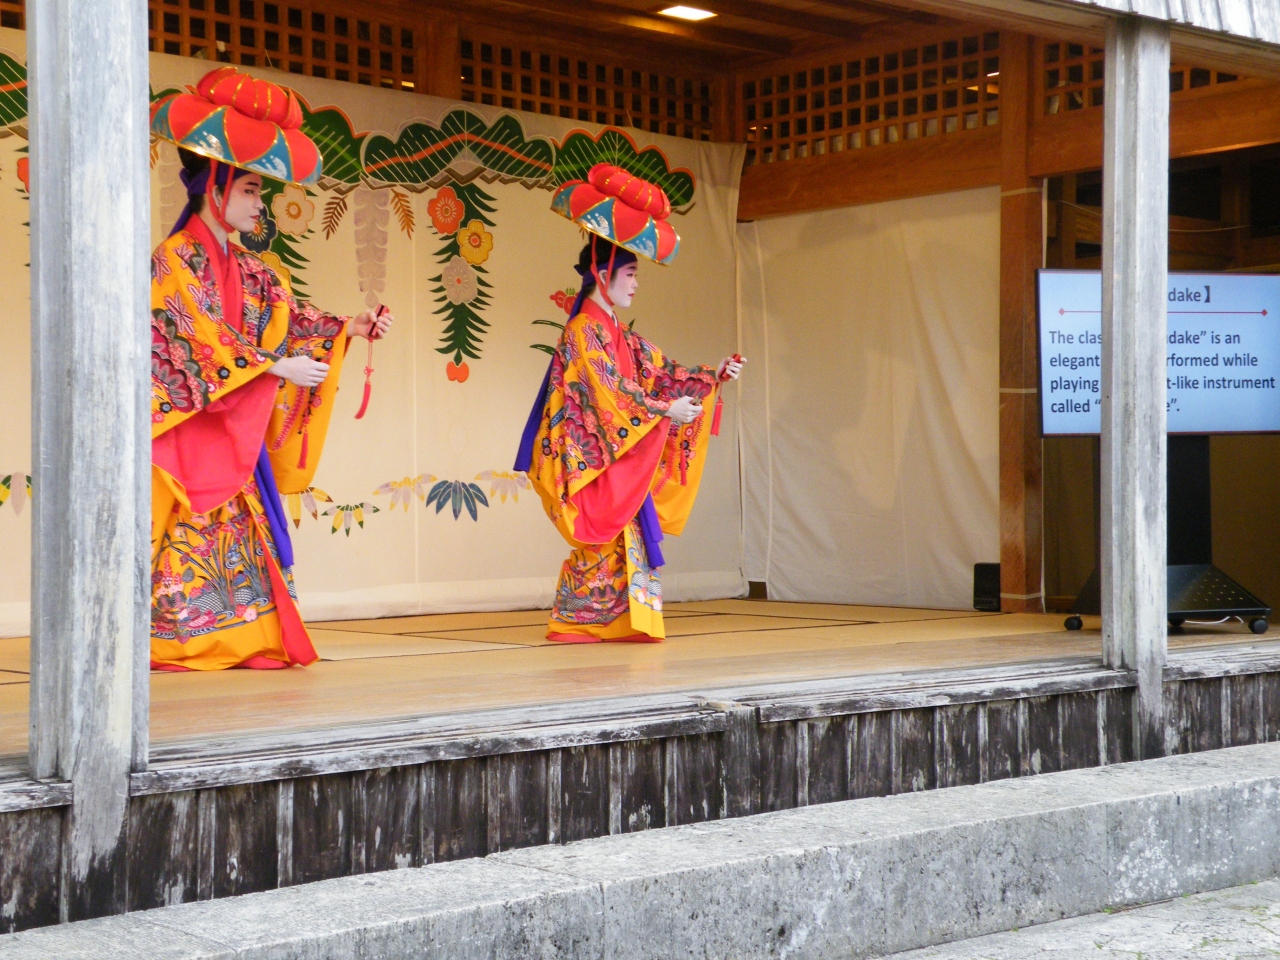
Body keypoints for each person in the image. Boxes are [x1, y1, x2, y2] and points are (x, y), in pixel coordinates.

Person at [149, 67, 392, 670]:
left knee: (241, 541)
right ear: (218, 187)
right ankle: (182, 639)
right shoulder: (173, 260)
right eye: (253, 191)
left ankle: (244, 638)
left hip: (232, 419)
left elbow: (286, 314)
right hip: (189, 426)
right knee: (192, 538)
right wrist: (273, 368)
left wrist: (347, 328)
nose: (263, 204)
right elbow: (192, 336)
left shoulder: (253, 270)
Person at [516, 164, 744, 643]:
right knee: (603, 536)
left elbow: (659, 372)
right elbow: (608, 394)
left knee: (623, 540)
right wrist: (664, 412)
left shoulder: (615, 330)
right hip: (588, 459)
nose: (636, 284)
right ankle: (578, 622)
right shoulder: (584, 330)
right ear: (603, 273)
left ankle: (608, 622)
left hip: (612, 453)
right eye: (631, 273)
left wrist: (710, 376)